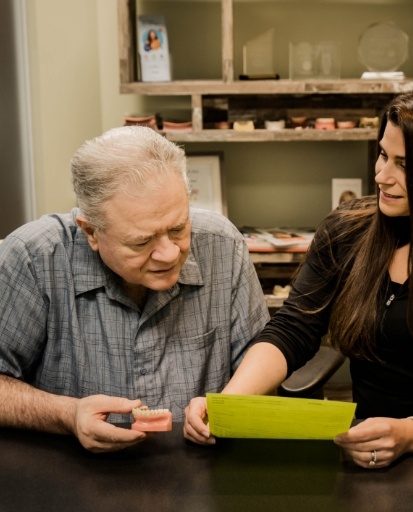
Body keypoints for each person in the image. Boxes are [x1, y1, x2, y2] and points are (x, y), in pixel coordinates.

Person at [184, 83, 413, 468]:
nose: (381, 176)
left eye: (403, 165)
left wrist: (412, 433)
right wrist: (228, 403)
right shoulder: (346, 231)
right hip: (368, 453)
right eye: (382, 155)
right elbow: (292, 329)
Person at [0, 126, 269, 453]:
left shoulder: (223, 246)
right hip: (70, 474)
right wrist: (67, 415)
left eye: (179, 228)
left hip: (203, 471)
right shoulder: (33, 258)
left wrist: (230, 406)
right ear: (91, 232)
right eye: (142, 241)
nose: (170, 254)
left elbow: (263, 366)